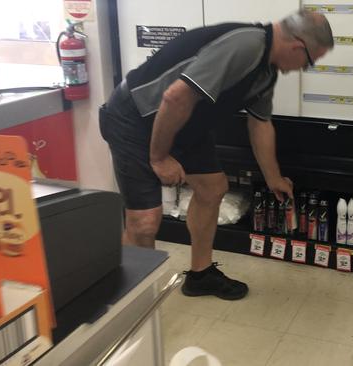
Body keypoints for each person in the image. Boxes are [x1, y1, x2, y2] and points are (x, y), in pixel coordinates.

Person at [99, 10, 334, 300]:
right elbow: (175, 97)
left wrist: (273, 178)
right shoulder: (247, 45)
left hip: (181, 123)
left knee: (213, 188)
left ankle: (200, 275)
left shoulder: (266, 70)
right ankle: (132, 307)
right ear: (298, 47)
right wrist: (159, 158)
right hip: (135, 117)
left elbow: (260, 123)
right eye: (310, 62)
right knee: (144, 221)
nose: (303, 68)